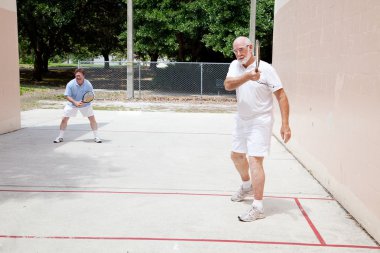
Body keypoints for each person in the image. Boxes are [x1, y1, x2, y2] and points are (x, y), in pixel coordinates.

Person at [224, 36, 291, 222]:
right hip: (241, 119)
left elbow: (282, 96)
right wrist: (247, 76)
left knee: (255, 161)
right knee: (236, 156)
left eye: (241, 50)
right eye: (235, 51)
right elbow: (228, 85)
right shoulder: (234, 65)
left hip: (261, 120)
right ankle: (247, 186)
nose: (239, 54)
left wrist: (285, 124)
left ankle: (258, 207)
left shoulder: (268, 69)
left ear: (251, 48)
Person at [53, 68, 102, 143]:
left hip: (86, 104)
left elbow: (91, 95)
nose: (77, 77)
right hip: (72, 104)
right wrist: (75, 102)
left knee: (92, 119)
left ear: (83, 76)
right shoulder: (70, 84)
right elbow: (67, 95)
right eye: (76, 76)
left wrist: (84, 102)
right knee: (64, 119)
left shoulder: (88, 84)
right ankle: (60, 137)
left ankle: (96, 137)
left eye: (79, 75)